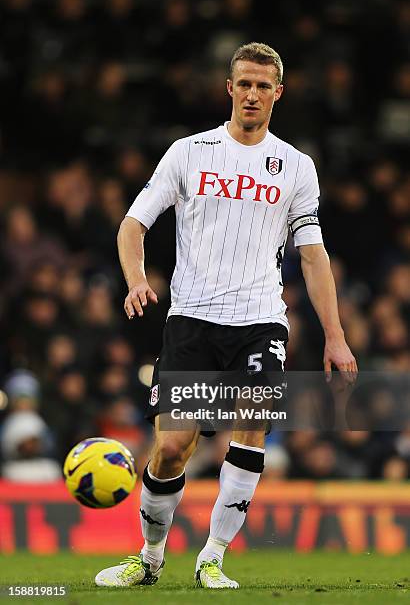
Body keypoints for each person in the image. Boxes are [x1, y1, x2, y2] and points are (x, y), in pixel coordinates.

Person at [95, 42, 357, 589]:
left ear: (278, 93)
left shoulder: (296, 167)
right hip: (191, 319)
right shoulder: (189, 153)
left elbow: (312, 256)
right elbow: (132, 225)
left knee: (251, 429)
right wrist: (137, 279)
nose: (253, 94)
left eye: (264, 86)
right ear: (229, 89)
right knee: (171, 449)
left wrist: (335, 336)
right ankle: (149, 558)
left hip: (261, 320)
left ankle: (212, 557)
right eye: (244, 84)